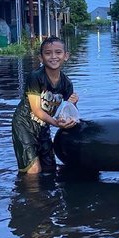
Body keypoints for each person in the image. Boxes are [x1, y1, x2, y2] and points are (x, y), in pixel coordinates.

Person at [11, 36, 79, 174]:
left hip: (43, 127)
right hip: (24, 124)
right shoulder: (35, 77)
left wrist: (74, 104)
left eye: (58, 52)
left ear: (66, 56)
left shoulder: (66, 83)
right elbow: (36, 110)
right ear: (41, 58)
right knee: (34, 170)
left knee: (49, 169)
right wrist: (56, 123)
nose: (53, 57)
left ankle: (46, 195)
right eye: (48, 53)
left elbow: (67, 112)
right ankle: (30, 194)